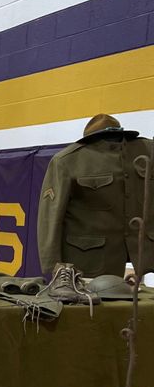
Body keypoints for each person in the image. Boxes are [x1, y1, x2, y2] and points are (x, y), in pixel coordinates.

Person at [38, 113, 154, 278]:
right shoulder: (68, 161)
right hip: (89, 258)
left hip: (144, 250)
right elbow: (50, 217)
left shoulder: (147, 150)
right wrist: (54, 266)